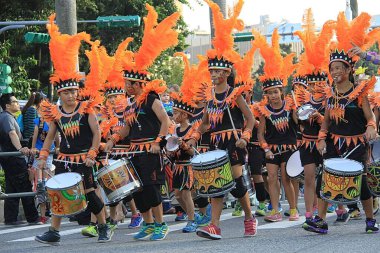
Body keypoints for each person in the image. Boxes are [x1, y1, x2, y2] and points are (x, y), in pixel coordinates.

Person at [35, 14, 113, 245]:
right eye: (66, 92)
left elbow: (97, 133)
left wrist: (92, 154)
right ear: (59, 94)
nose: (71, 95)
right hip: (64, 159)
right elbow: (50, 136)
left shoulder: (86, 109)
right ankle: (54, 232)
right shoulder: (56, 113)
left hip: (84, 159)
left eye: (73, 91)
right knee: (59, 194)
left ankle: (103, 226)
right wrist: (42, 157)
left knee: (90, 195)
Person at [105, 4, 180, 241]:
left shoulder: (151, 98)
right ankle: (148, 223)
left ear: (139, 84)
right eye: (126, 83)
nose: (126, 87)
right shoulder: (130, 104)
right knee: (136, 188)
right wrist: (113, 140)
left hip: (150, 149)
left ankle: (160, 224)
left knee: (151, 187)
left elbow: (165, 120)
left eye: (130, 84)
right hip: (133, 150)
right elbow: (126, 127)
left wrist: (159, 141)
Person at [187, 0, 257, 240]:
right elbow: (205, 122)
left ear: (227, 73)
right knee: (217, 184)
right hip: (216, 143)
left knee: (236, 183)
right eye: (212, 72)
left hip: (234, 142)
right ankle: (214, 226)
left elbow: (250, 119)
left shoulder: (235, 94)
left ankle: (249, 217)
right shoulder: (209, 95)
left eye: (218, 72)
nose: (214, 75)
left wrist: (245, 137)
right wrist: (195, 135)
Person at [308, 12, 379, 234]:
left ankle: (370, 220)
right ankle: (320, 220)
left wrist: (371, 127)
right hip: (334, 143)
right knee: (324, 179)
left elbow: (370, 116)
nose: (335, 72)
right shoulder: (330, 96)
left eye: (339, 68)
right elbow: (326, 123)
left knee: (362, 183)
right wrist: (320, 140)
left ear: (348, 70)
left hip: (357, 144)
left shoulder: (359, 93)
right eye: (332, 69)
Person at [0, 93, 40, 225]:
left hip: (8, 158)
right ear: (7, 105)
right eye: (15, 101)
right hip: (14, 158)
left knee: (12, 188)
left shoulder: (8, 116)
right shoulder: (6, 117)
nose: (17, 103)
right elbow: (11, 133)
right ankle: (33, 218)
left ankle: (11, 219)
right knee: (24, 186)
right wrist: (20, 149)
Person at [30, 109, 60, 224]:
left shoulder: (53, 122)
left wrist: (57, 147)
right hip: (39, 153)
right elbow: (35, 135)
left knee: (50, 185)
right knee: (40, 185)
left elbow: (56, 136)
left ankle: (52, 212)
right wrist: (33, 148)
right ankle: (42, 215)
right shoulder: (38, 122)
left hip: (49, 153)